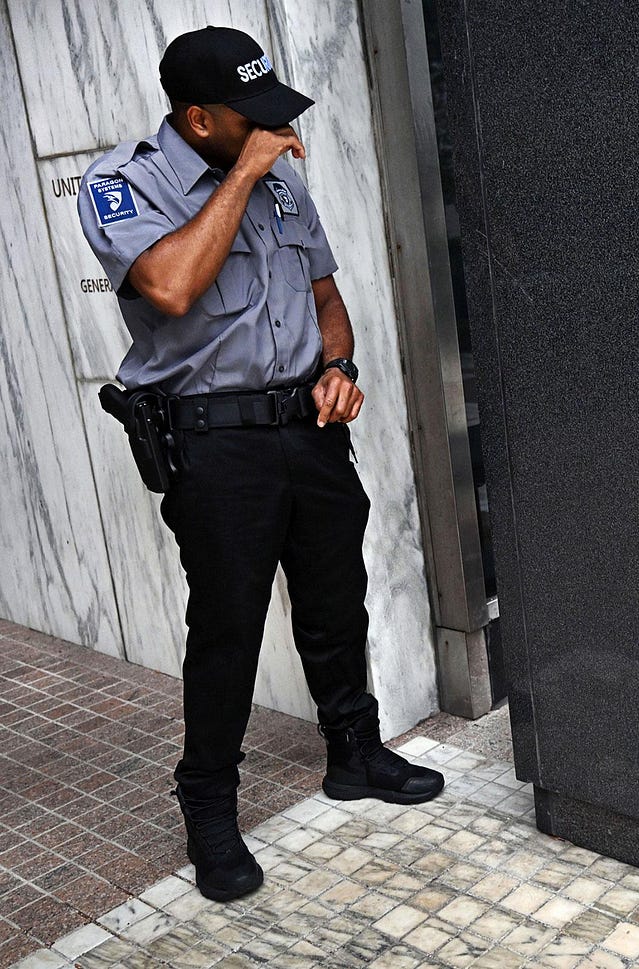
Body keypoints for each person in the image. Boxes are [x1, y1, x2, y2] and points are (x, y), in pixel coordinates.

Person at [77, 25, 443, 903]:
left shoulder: (281, 180)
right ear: (198, 119)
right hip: (214, 443)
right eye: (253, 120)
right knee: (229, 627)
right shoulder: (124, 185)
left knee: (333, 597)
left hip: (305, 430)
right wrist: (241, 176)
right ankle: (208, 804)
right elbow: (167, 286)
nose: (275, 133)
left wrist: (340, 368)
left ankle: (353, 750)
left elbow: (325, 297)